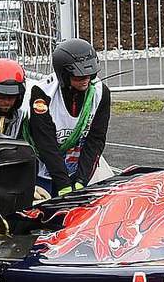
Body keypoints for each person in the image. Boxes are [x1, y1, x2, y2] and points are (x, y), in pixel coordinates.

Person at [26, 38, 112, 196]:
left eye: (90, 74)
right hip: (42, 173)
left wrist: (81, 181)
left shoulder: (101, 93)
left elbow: (96, 140)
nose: (86, 79)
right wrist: (63, 185)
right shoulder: (42, 94)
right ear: (64, 75)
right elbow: (45, 142)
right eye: (79, 76)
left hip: (75, 172)